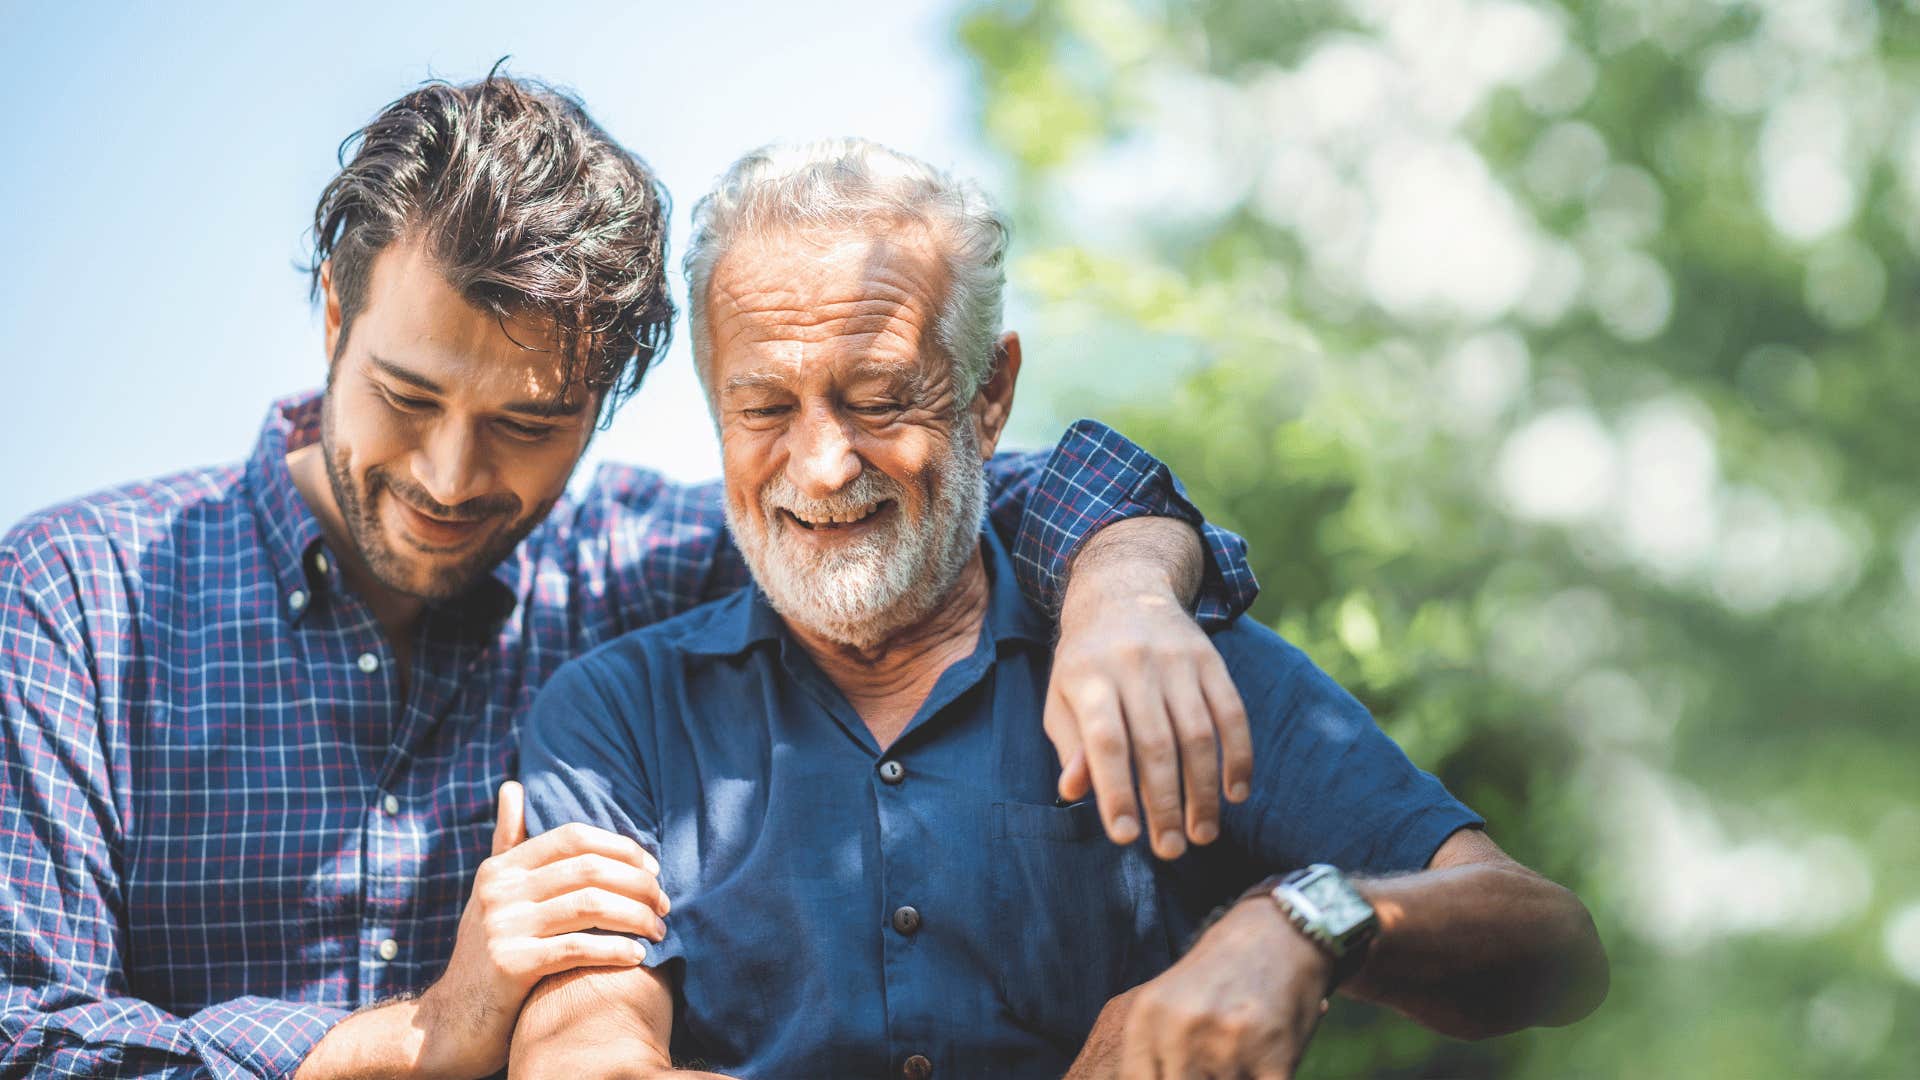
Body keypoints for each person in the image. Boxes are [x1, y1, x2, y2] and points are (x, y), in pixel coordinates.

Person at [0, 76, 1264, 1080]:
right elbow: (21, 1034)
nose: (450, 474)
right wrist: (419, 1037)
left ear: (603, 406)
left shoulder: (643, 567)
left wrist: (1122, 590)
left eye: (527, 423)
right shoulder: (72, 603)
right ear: (335, 319)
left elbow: (955, 485)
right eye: (407, 396)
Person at [509, 138, 1610, 1080]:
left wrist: (1303, 922)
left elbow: (1551, 944)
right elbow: (580, 1053)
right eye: (762, 406)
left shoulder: (1162, 659)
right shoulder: (618, 713)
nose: (823, 464)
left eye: (880, 398)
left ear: (989, 395)